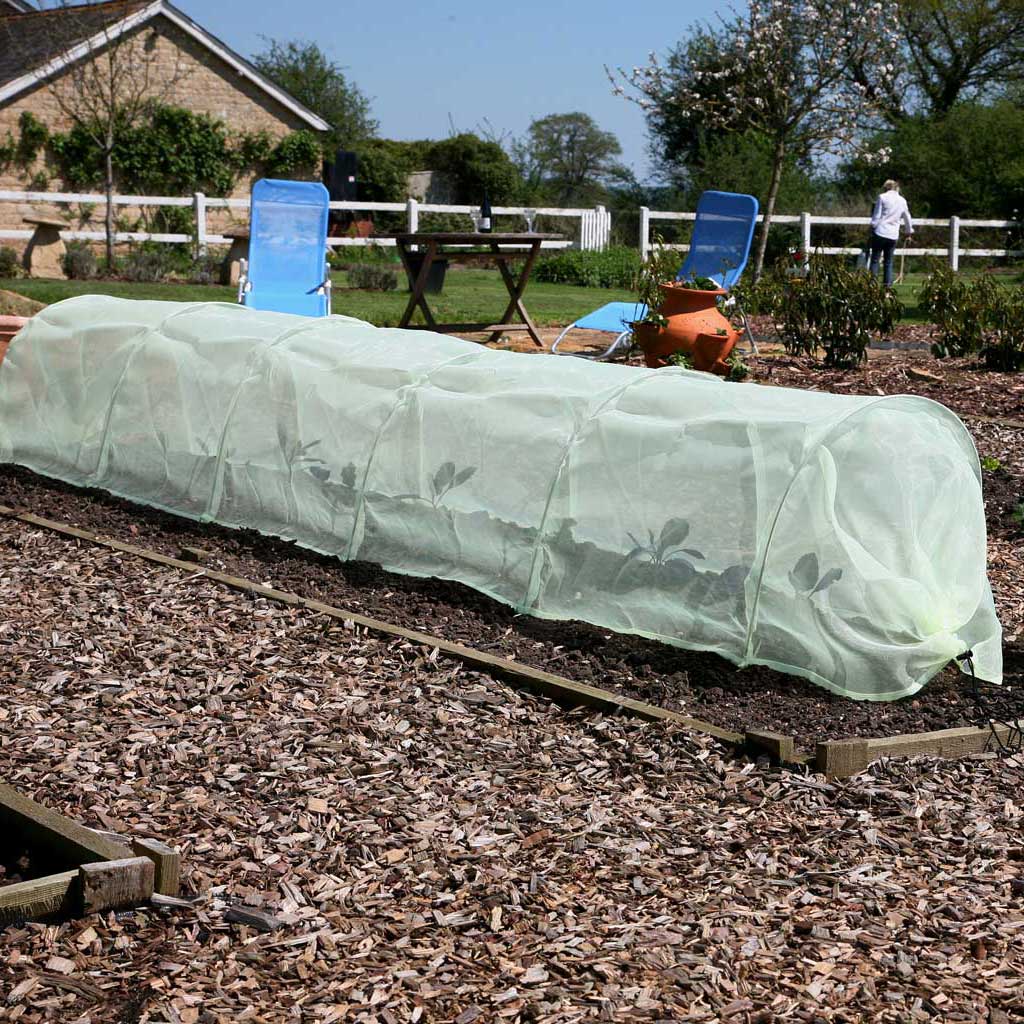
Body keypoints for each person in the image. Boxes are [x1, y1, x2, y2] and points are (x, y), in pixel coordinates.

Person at [868, 179, 913, 287]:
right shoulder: (902, 200)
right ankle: (887, 287)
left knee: (875, 260)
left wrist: (872, 227)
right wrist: (909, 231)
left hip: (880, 231)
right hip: (893, 234)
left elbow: (877, 215)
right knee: (889, 262)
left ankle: (872, 285)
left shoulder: (882, 197)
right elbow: (907, 217)